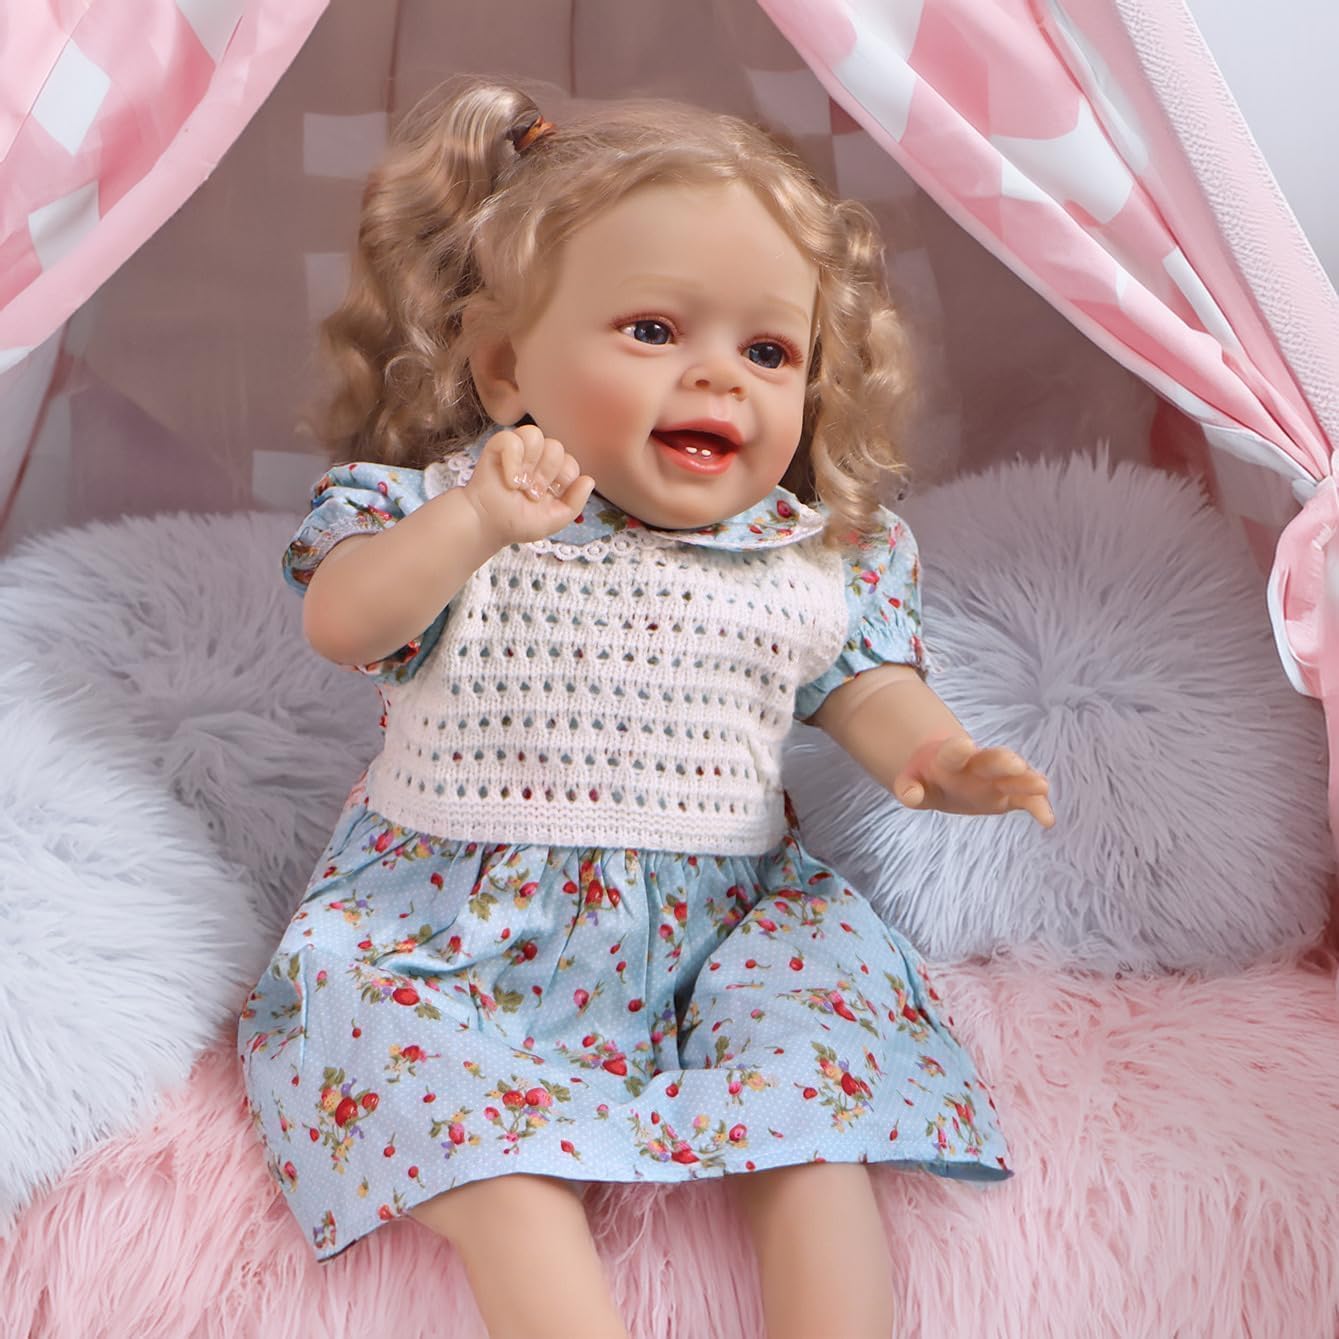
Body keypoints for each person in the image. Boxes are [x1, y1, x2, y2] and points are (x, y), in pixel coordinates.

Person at [237, 75, 1053, 1339]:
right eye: (654, 330)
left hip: (724, 931)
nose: (718, 377)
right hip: (452, 934)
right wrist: (476, 521)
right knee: (480, 1156)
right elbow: (345, 622)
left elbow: (867, 686)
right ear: (505, 364)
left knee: (815, 1117)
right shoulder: (446, 510)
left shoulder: (814, 556)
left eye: (767, 352)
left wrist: (937, 757)